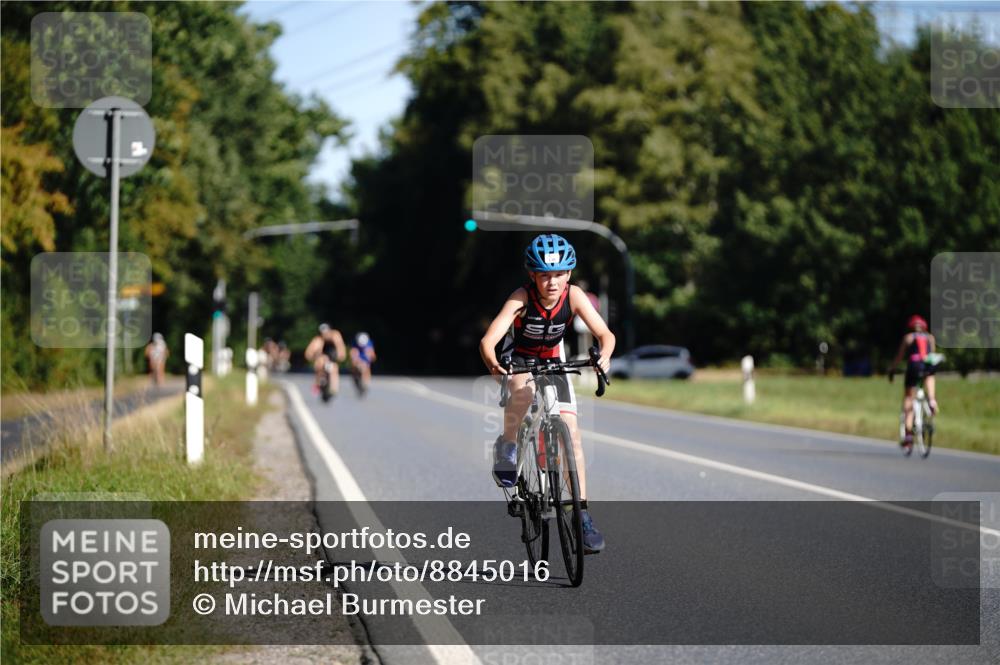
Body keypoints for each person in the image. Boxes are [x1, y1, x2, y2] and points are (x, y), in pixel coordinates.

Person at [479, 234, 615, 553]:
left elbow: (604, 333)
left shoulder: (575, 295)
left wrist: (604, 355)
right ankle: (508, 447)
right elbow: (489, 340)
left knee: (572, 431)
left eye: (558, 274)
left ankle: (581, 514)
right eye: (544, 275)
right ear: (533, 276)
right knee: (523, 395)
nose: (551, 282)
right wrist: (494, 364)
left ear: (568, 274)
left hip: (554, 358)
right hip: (522, 356)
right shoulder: (521, 298)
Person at [890, 314, 938, 447]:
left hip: (914, 366)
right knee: (930, 375)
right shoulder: (930, 338)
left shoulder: (909, 338)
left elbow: (899, 357)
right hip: (928, 365)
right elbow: (932, 355)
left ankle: (909, 435)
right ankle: (932, 400)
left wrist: (892, 369)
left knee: (909, 398)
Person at [305, 323, 346, 398]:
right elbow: (310, 350)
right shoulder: (318, 339)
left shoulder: (335, 335)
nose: (325, 335)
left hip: (333, 354)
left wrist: (341, 355)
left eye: (326, 333)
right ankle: (318, 382)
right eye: (323, 333)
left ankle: (334, 388)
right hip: (322, 355)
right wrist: (310, 356)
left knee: (334, 369)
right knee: (318, 364)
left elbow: (340, 346)